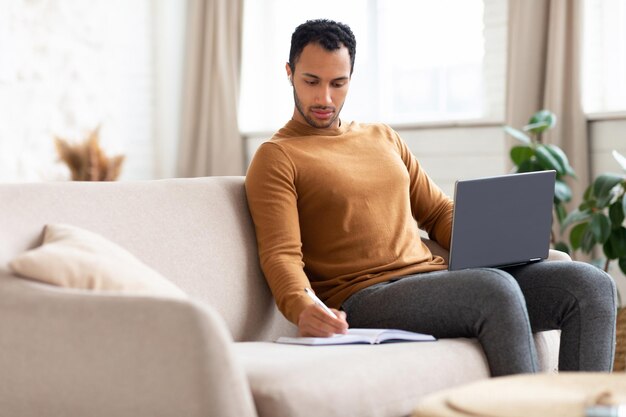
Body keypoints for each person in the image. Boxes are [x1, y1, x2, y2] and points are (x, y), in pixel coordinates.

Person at [244, 19, 617, 376]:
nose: (324, 97)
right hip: (365, 297)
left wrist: (497, 242)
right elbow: (281, 255)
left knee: (590, 285)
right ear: (289, 72)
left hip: (434, 281)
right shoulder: (278, 156)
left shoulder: (382, 137)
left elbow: (438, 212)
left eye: (338, 83)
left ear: (351, 78)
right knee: (493, 289)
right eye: (311, 81)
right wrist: (303, 304)